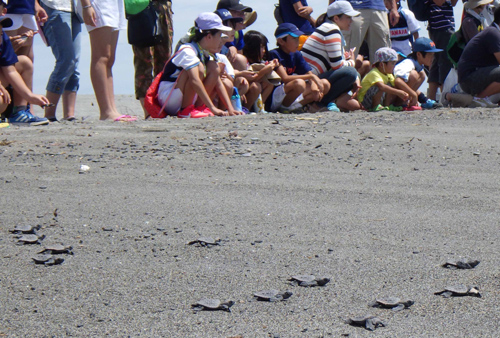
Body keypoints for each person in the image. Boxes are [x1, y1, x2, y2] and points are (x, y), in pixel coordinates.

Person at [157, 12, 239, 118]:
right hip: (169, 98)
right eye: (219, 35)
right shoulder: (187, 50)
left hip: (179, 95)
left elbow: (217, 82)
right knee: (198, 67)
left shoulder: (203, 52)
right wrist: (213, 108)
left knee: (214, 67)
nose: (221, 40)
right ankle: (186, 110)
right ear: (209, 36)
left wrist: (230, 108)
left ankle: (198, 107)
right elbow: (194, 80)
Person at [79, 0, 136, 121]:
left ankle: (112, 109)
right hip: (97, 4)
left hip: (113, 4)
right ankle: (106, 111)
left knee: (109, 59)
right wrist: (86, 5)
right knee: (101, 56)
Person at [301, 1, 362, 111]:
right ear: (336, 18)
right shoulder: (332, 30)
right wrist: (352, 61)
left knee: (352, 73)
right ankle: (320, 104)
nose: (351, 21)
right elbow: (337, 65)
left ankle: (330, 102)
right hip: (308, 81)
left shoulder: (328, 28)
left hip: (311, 79)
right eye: (348, 17)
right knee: (350, 73)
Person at [0, 10, 50, 125]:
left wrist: (30, 96)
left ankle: (19, 113)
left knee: (24, 62)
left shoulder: (4, 41)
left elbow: (10, 71)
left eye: (1, 34)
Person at [269, 23, 330, 111]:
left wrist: (313, 84)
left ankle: (294, 108)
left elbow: (308, 72)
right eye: (294, 39)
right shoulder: (275, 54)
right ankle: (283, 107)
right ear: (281, 41)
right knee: (299, 83)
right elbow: (285, 78)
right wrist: (311, 77)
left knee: (324, 83)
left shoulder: (296, 54)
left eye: (298, 39)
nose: (297, 42)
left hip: (294, 93)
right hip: (278, 94)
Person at [39, 0, 81, 122]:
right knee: (66, 60)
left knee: (74, 62)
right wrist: (35, 4)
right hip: (53, 6)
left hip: (75, 9)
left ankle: (69, 114)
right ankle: (49, 113)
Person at [130, 0, 173, 119]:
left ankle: (161, 106)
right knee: (143, 60)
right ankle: (148, 111)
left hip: (163, 7)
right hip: (139, 8)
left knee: (164, 60)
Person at [458, 6, 500, 105]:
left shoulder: (493, 31)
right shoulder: (493, 33)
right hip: (469, 79)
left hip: (475, 75)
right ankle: (479, 99)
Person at [393, 37, 443, 109]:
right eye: (430, 55)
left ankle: (422, 101)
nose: (433, 58)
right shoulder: (408, 63)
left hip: (398, 93)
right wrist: (413, 94)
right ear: (419, 54)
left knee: (422, 75)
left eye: (433, 54)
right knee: (414, 75)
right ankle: (400, 103)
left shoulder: (418, 65)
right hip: (389, 95)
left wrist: (422, 98)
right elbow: (397, 81)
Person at [358, 47, 409, 111]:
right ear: (382, 64)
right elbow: (382, 87)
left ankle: (387, 105)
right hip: (365, 102)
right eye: (392, 63)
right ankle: (376, 105)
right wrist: (398, 92)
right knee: (380, 86)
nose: (394, 66)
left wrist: (406, 94)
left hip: (376, 98)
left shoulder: (388, 74)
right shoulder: (374, 73)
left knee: (391, 85)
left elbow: (394, 85)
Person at [425, 0, 457, 101]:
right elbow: (439, 2)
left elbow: (453, 3)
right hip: (441, 28)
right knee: (445, 62)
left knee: (437, 61)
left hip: (443, 26)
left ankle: (431, 99)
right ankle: (444, 98)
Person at [241, 30, 279, 111]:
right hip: (243, 92)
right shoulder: (244, 61)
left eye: (264, 47)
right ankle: (246, 109)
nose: (264, 51)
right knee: (255, 86)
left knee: (269, 83)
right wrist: (266, 69)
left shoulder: (260, 62)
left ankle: (260, 107)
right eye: (261, 47)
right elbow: (252, 78)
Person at [216, 0, 252, 70]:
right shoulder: (214, 33)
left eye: (243, 13)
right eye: (238, 13)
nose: (243, 17)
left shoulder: (238, 32)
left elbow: (240, 53)